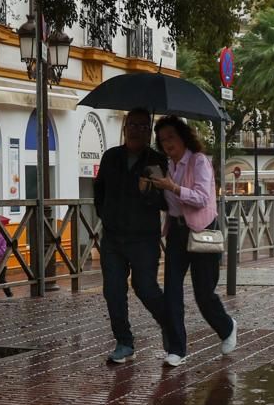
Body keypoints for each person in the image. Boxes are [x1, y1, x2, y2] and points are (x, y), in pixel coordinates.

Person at [147, 115, 236, 367]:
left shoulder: (199, 162)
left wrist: (172, 187)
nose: (167, 144)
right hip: (176, 232)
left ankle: (227, 326)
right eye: (162, 140)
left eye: (171, 137)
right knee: (172, 291)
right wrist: (155, 187)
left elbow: (200, 198)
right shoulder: (166, 165)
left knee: (203, 294)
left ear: (183, 136)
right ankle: (177, 348)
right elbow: (168, 203)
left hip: (201, 230)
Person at [92, 108, 171, 364]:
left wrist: (148, 191)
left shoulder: (157, 161)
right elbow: (99, 191)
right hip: (113, 237)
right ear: (125, 127)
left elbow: (165, 202)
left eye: (143, 126)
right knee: (113, 290)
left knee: (145, 287)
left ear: (150, 131)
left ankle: (170, 328)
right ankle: (124, 341)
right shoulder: (110, 157)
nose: (137, 130)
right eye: (133, 125)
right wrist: (106, 215)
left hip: (143, 237)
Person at [0, 216, 13, 298]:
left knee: (1, 280)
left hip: (0, 264)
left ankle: (9, 294)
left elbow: (2, 252)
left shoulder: (3, 238)